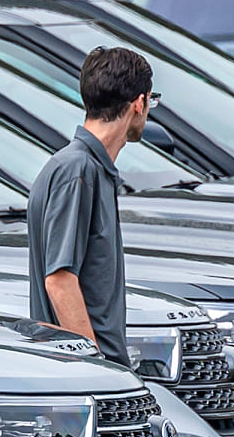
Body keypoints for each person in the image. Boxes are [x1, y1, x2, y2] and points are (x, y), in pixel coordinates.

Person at [27, 46, 153, 365]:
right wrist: (96, 368)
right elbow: (59, 280)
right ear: (139, 104)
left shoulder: (91, 169)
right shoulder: (77, 171)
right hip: (88, 377)